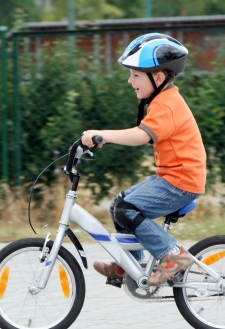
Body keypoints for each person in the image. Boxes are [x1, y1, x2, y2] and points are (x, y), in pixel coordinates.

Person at [81, 33, 207, 286]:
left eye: (135, 75)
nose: (130, 81)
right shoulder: (162, 101)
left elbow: (141, 136)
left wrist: (103, 135)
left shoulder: (167, 104)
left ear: (158, 78)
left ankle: (173, 255)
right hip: (172, 177)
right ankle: (131, 265)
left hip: (180, 181)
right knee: (120, 205)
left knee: (127, 209)